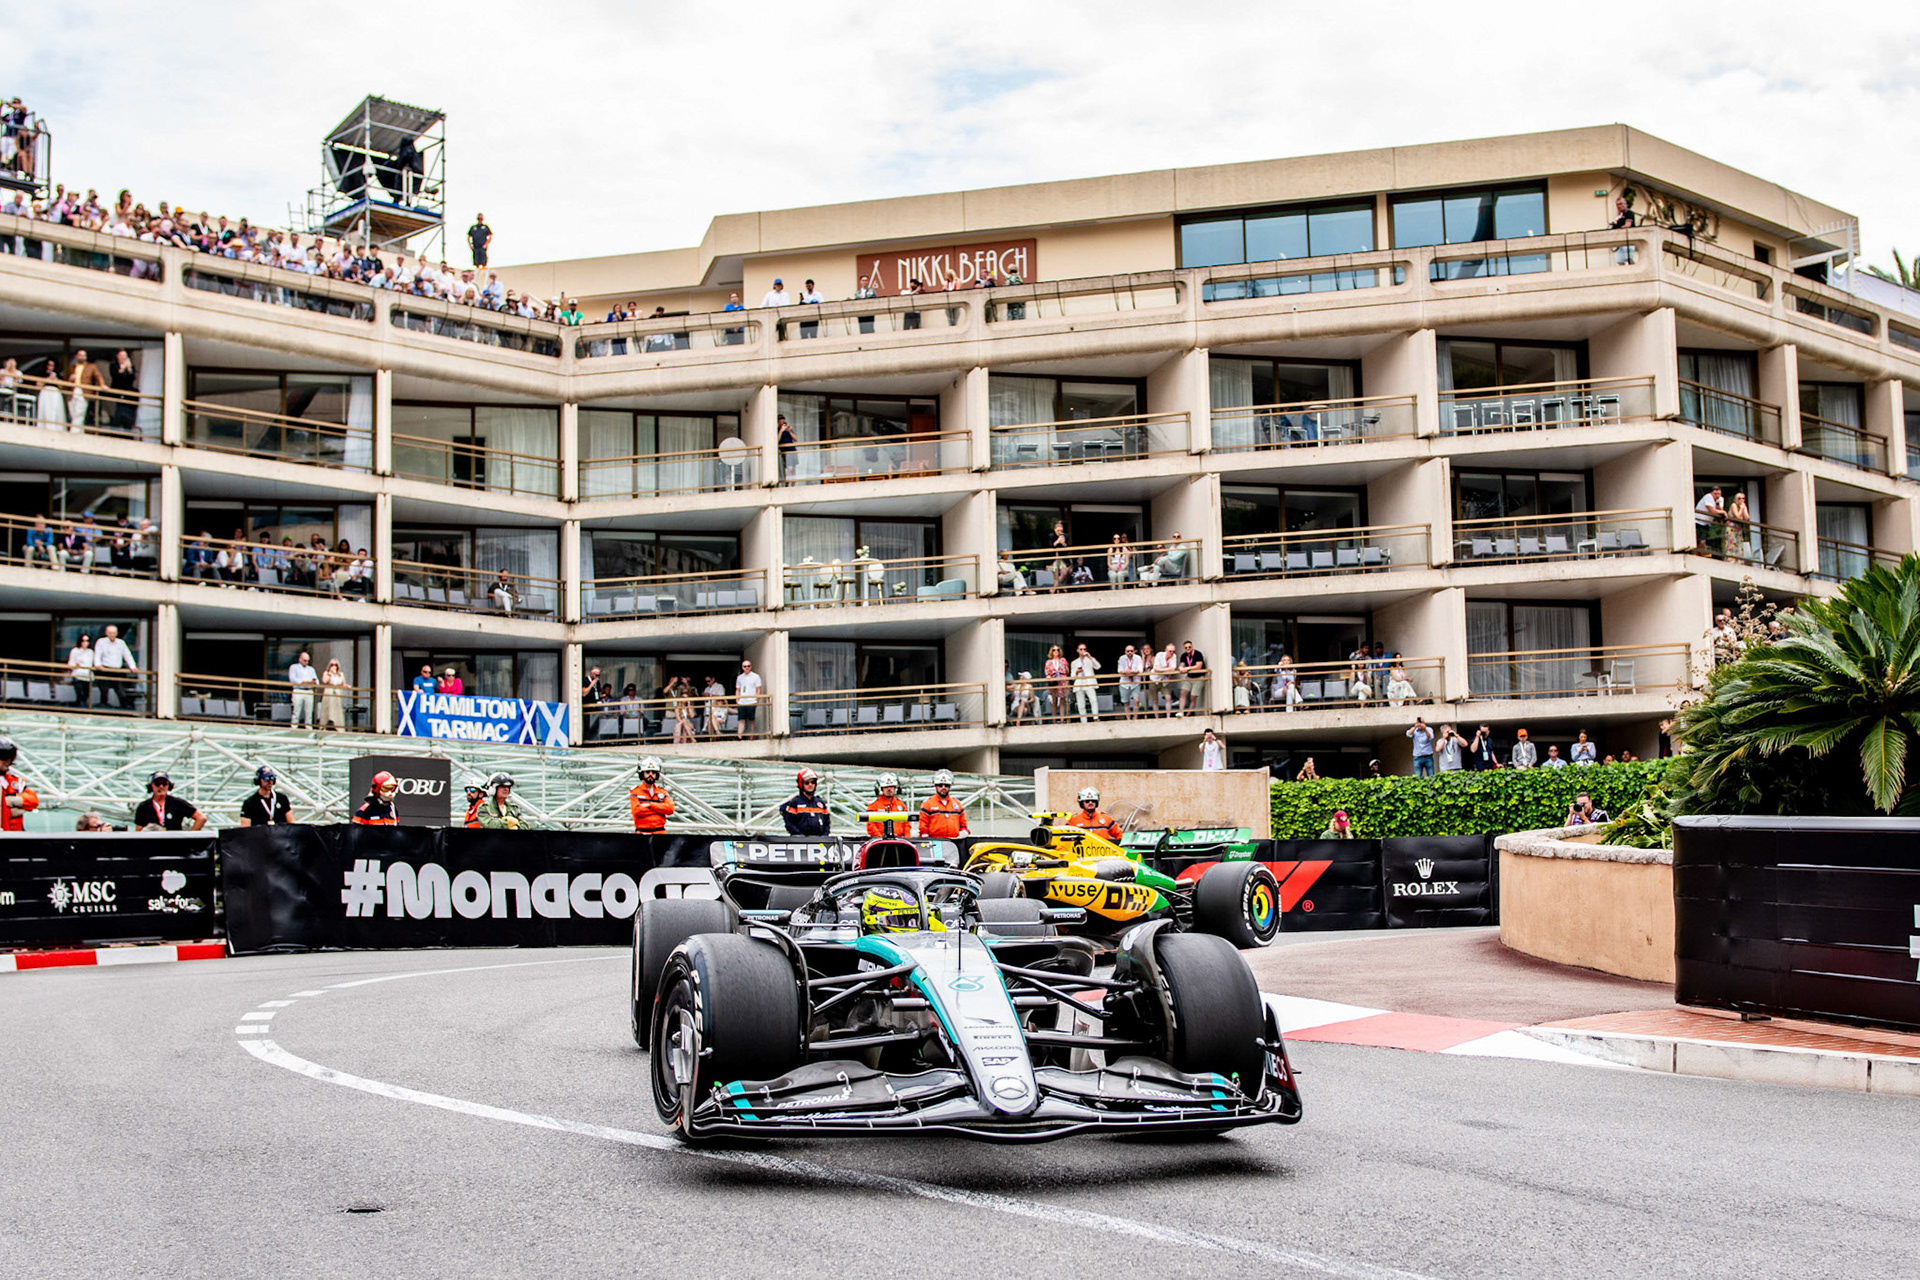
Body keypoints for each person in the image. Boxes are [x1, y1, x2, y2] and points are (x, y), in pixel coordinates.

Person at [134, 771, 206, 831]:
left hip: (174, 845)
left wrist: (188, 839)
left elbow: (201, 818)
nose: (161, 786)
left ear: (169, 786)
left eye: (164, 784)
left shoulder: (178, 803)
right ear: (151, 786)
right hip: (152, 845)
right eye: (157, 784)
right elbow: (139, 831)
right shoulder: (143, 807)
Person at [92, 624, 137, 708]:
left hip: (116, 670)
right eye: (110, 632)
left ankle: (124, 706)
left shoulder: (121, 643)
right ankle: (104, 705)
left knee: (119, 689)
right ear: (106, 633)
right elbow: (97, 654)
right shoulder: (101, 642)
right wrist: (97, 664)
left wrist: (132, 666)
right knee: (104, 689)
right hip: (104, 669)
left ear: (116, 633)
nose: (112, 634)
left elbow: (127, 655)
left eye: (113, 632)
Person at [0, 737, 39, 832]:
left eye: (10, 758)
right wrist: (8, 810)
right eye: (3, 757)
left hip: (15, 835)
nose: (7, 761)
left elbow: (33, 800)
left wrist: (11, 801)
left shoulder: (15, 781)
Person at [917, 768, 969, 838]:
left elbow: (964, 825)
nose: (943, 788)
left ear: (950, 786)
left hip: (954, 842)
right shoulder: (927, 804)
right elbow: (923, 826)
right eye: (940, 785)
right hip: (935, 842)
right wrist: (925, 838)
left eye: (946, 785)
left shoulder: (957, 804)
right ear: (936, 786)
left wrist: (963, 832)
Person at [629, 757, 674, 833]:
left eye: (653, 772)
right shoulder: (635, 792)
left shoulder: (662, 792)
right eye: (647, 772)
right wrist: (659, 809)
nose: (650, 774)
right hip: (642, 832)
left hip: (660, 832)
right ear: (642, 774)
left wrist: (650, 805)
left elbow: (670, 809)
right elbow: (636, 811)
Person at [780, 768, 830, 836]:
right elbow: (789, 823)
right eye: (807, 783)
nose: (810, 785)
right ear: (801, 784)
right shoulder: (795, 802)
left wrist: (824, 836)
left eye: (812, 782)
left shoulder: (820, 803)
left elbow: (827, 823)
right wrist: (800, 836)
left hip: (819, 841)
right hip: (800, 842)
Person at [866, 772, 911, 837]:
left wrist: (907, 839)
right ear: (881, 789)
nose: (889, 789)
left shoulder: (901, 805)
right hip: (880, 842)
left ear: (895, 788)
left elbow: (907, 825)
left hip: (900, 841)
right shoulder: (873, 806)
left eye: (891, 786)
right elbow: (871, 826)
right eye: (886, 787)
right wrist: (880, 839)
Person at [1069, 643, 1102, 722]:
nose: (1083, 651)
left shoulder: (1089, 660)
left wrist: (1090, 657)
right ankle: (1083, 721)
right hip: (1079, 683)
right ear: (1077, 650)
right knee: (1081, 704)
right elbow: (1072, 677)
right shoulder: (1074, 662)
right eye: (1081, 649)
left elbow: (1098, 666)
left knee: (1093, 700)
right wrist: (1077, 672)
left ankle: (1096, 718)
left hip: (1089, 682)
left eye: (1084, 649)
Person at [287, 651, 318, 727]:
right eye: (305, 660)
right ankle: (294, 727)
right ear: (300, 659)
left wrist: (313, 682)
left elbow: (316, 681)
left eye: (308, 661)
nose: (306, 662)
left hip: (309, 691)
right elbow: (292, 679)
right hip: (298, 690)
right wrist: (303, 682)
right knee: (296, 711)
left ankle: (308, 728)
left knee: (309, 712)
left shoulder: (311, 669)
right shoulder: (294, 667)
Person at [1694, 486, 1726, 557]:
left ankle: (1700, 553)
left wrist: (1718, 504)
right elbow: (1712, 511)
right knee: (1701, 539)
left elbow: (1720, 510)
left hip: (1707, 523)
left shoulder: (1720, 499)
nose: (1717, 496)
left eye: (1719, 494)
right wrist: (1723, 512)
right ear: (1711, 493)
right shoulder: (1708, 497)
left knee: (1703, 539)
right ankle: (1700, 554)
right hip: (1699, 521)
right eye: (1715, 494)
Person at [734, 658, 763, 737]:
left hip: (751, 701)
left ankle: (751, 737)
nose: (746, 668)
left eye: (748, 666)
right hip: (742, 702)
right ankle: (739, 736)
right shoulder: (740, 677)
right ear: (742, 667)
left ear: (751, 667)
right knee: (741, 719)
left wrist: (756, 700)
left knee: (751, 720)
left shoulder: (756, 676)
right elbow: (738, 689)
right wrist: (737, 700)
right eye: (745, 666)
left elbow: (758, 689)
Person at [1179, 640, 1207, 713]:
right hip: (1189, 678)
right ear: (1184, 648)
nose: (1188, 648)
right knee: (1183, 692)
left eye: (1189, 647)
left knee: (1193, 697)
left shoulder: (1198, 654)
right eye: (1186, 647)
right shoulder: (1183, 655)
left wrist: (1187, 668)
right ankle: (1180, 712)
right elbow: (1181, 665)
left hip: (1198, 678)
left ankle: (1189, 714)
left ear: (1192, 647)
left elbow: (1199, 666)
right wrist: (1181, 668)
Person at [1116, 644, 1144, 719]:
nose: (1130, 652)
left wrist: (1132, 672)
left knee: (1136, 700)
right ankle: (1128, 719)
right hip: (1124, 683)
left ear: (1134, 651)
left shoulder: (1138, 658)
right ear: (1125, 652)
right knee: (1126, 703)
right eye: (1128, 651)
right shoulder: (1122, 658)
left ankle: (1135, 717)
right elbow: (1120, 670)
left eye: (1131, 651)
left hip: (1135, 682)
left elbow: (1140, 669)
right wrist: (1126, 672)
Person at [1043, 644, 1069, 722]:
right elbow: (1047, 672)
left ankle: (1062, 719)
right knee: (1054, 701)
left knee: (1062, 701)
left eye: (1058, 649)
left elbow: (1067, 671)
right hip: (1053, 681)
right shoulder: (1048, 662)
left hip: (1062, 681)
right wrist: (1049, 677)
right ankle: (1054, 719)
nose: (1056, 651)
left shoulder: (1063, 660)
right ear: (1051, 651)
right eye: (1054, 650)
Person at [67, 633, 95, 705]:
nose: (85, 643)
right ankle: (80, 706)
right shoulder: (75, 651)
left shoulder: (91, 652)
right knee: (80, 694)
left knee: (86, 694)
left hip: (87, 676)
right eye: (83, 641)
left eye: (87, 641)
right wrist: (75, 665)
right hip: (78, 674)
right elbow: (70, 663)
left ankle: (84, 707)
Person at [319, 659, 348, 730]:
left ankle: (338, 727)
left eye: (335, 665)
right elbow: (324, 681)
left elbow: (343, 684)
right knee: (327, 708)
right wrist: (329, 673)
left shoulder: (341, 674)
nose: (334, 666)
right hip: (329, 692)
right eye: (332, 665)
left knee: (337, 709)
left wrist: (347, 686)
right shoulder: (326, 673)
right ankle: (324, 726)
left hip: (337, 693)